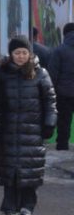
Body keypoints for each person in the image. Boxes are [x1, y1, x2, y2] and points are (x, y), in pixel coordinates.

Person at [0, 36, 56, 215]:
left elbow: (50, 101)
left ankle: (27, 207)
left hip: (32, 130)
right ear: (11, 54)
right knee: (10, 171)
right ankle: (9, 207)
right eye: (17, 52)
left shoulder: (40, 73)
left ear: (30, 54)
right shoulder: (2, 73)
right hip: (8, 129)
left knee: (30, 172)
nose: (20, 56)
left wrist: (49, 123)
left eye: (24, 52)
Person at [46, 22, 74, 150]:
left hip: (64, 93)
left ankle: (62, 145)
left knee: (64, 120)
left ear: (65, 34)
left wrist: (52, 92)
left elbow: (52, 74)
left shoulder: (59, 50)